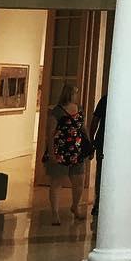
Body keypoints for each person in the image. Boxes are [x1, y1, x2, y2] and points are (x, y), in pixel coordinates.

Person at [45, 82, 90, 225]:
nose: (76, 95)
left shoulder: (79, 109)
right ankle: (55, 213)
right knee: (57, 181)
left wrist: (89, 143)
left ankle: (75, 206)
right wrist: (51, 152)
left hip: (77, 149)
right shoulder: (57, 111)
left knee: (79, 180)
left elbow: (82, 127)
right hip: (61, 149)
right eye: (74, 92)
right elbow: (50, 133)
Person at [89, 93, 107, 218]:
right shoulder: (105, 100)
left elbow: (95, 120)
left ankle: (99, 203)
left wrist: (92, 139)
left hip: (102, 142)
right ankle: (99, 203)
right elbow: (95, 121)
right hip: (104, 142)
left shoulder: (105, 99)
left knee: (101, 174)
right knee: (101, 174)